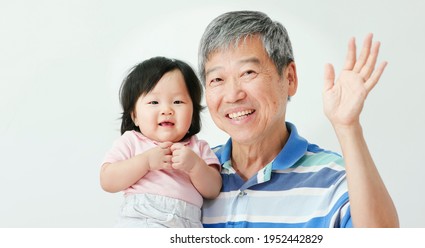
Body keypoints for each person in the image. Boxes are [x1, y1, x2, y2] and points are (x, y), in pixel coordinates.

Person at [197, 11, 399, 228]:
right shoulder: (193, 173)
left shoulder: (335, 179)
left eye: (248, 73)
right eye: (217, 79)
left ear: (289, 78)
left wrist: (347, 127)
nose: (233, 95)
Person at [100, 56, 221, 228]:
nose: (166, 110)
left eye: (178, 101)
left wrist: (195, 166)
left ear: (193, 113)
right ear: (134, 116)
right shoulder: (132, 142)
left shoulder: (198, 148)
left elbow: (213, 189)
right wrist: (146, 161)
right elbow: (108, 180)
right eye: (154, 102)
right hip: (141, 221)